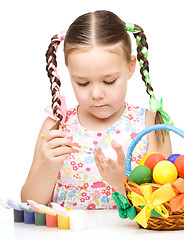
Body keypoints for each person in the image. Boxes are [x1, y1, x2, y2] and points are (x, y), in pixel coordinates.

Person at [21, 10, 173, 209]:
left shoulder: (150, 124)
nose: (96, 94)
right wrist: (49, 167)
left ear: (130, 67)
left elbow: (165, 205)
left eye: (109, 81)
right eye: (82, 83)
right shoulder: (57, 125)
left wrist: (121, 183)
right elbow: (28, 202)